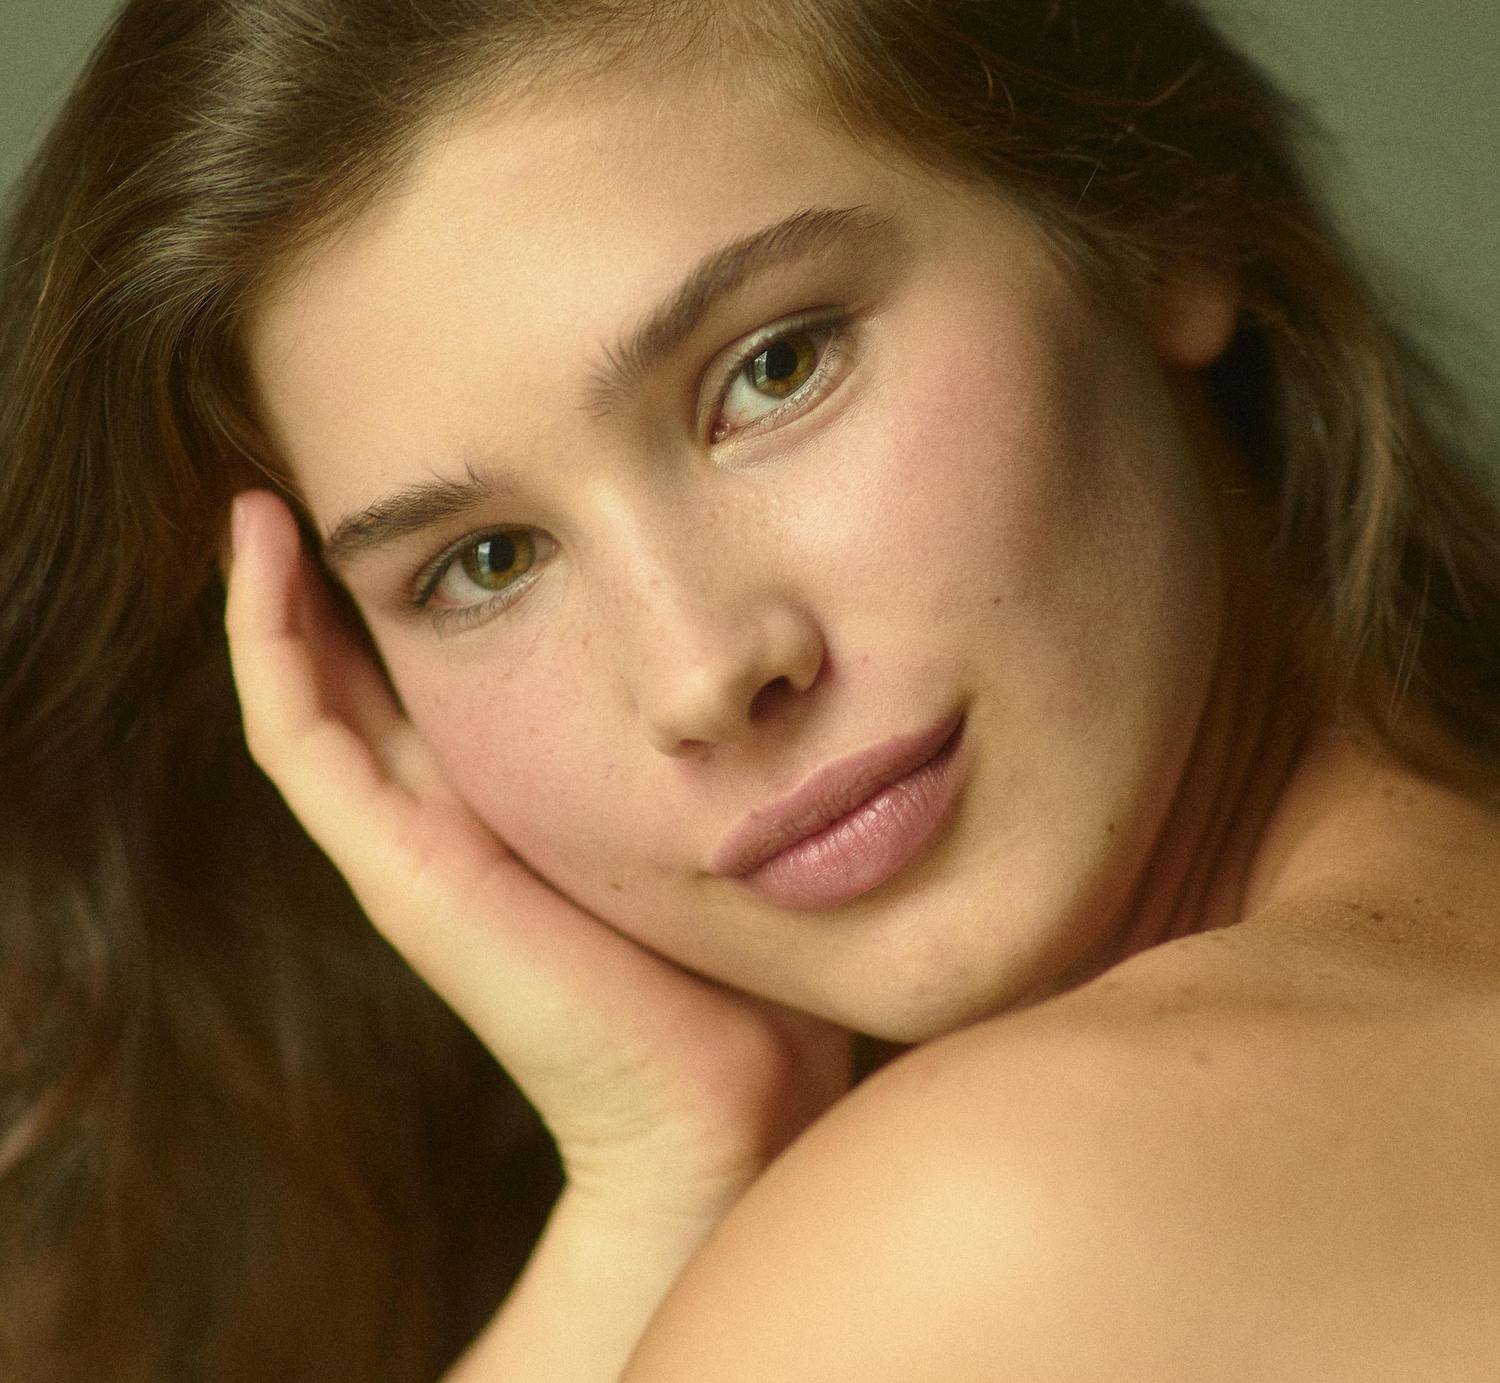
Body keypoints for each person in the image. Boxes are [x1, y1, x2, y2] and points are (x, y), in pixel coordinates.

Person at [2, 0, 1497, 1378]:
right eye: (485, 563)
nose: (703, 672)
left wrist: (648, 1217)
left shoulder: (990, 1230)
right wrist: (665, 1170)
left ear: (1155, 219)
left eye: (775, 369)